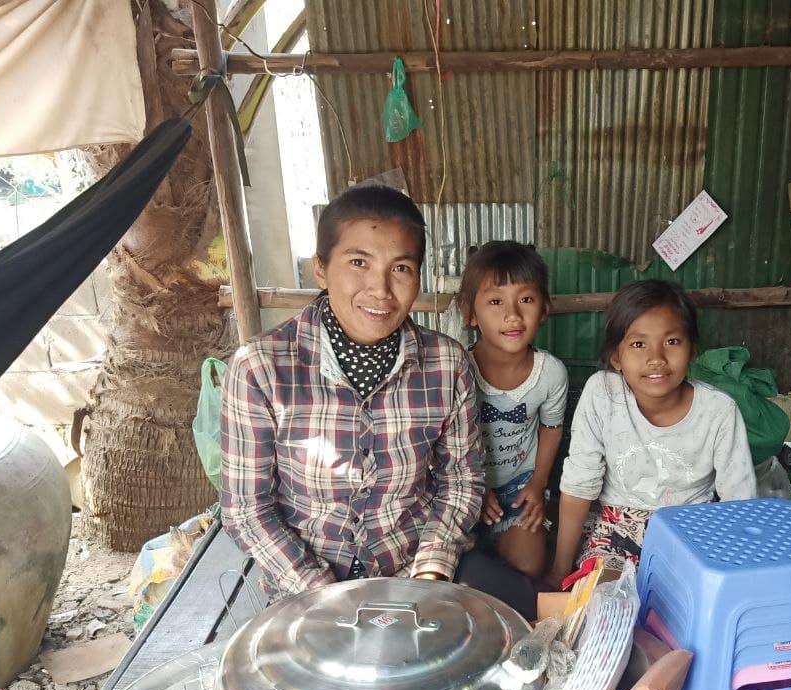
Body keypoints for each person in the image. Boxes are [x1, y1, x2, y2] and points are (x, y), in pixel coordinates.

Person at [219, 184, 536, 618]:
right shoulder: (260, 367)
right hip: (305, 585)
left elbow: (461, 479)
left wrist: (430, 572)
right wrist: (323, 594)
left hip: (415, 569)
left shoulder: (446, 363)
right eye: (357, 263)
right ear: (320, 268)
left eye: (400, 268)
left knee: (515, 627)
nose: (381, 289)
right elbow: (247, 509)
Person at [551, 280, 757, 585]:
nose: (656, 358)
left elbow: (739, 504)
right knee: (603, 607)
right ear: (616, 358)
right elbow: (579, 486)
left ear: (692, 351)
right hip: (616, 533)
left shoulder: (718, 410)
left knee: (680, 609)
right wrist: (558, 570)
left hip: (691, 534)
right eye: (638, 344)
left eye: (672, 342)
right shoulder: (602, 394)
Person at [460, 241, 568, 580]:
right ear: (471, 314)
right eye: (495, 301)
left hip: (519, 488)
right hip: (464, 485)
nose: (512, 315)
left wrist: (538, 485)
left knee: (529, 566)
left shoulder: (550, 373)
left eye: (526, 299)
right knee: (457, 570)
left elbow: (551, 429)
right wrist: (473, 489)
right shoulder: (457, 368)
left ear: (544, 308)